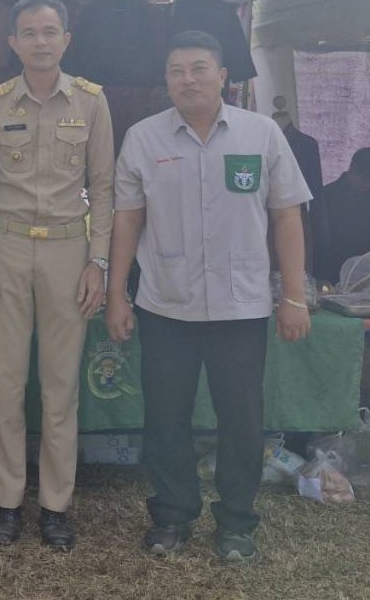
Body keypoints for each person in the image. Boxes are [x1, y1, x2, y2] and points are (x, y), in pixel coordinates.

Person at [106, 30, 312, 563]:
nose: (188, 79)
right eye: (177, 70)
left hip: (240, 308)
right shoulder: (144, 138)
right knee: (166, 417)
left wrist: (294, 296)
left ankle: (237, 524)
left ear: (223, 76)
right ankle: (173, 515)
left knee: (241, 420)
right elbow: (127, 221)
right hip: (165, 305)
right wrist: (116, 294)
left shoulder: (261, 134)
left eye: (199, 68)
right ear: (166, 80)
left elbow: (286, 215)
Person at [0, 0, 115, 549]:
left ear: (66, 39)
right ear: (13, 43)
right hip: (5, 248)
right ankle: (6, 500)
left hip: (68, 252)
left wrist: (98, 261)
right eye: (29, 32)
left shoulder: (92, 102)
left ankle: (55, 505)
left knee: (61, 385)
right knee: (5, 384)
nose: (40, 41)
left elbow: (103, 188)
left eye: (50, 31)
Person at [312, 147, 370, 285]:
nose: (366, 187)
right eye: (365, 180)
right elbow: (318, 241)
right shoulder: (326, 197)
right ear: (353, 169)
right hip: (329, 276)